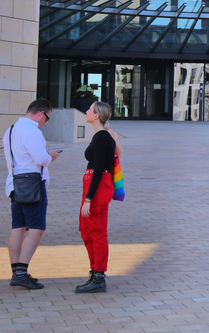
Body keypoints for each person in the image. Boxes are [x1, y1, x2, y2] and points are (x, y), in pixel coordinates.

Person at [3, 98, 61, 290]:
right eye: (47, 118)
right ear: (40, 113)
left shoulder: (10, 130)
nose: (45, 122)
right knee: (37, 228)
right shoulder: (32, 131)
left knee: (18, 227)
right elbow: (41, 158)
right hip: (33, 185)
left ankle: (16, 272)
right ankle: (21, 273)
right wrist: (51, 155)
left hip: (15, 184)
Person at [75, 101, 123, 293]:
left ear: (96, 116)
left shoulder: (102, 137)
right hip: (94, 187)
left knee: (97, 231)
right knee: (87, 231)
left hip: (96, 188)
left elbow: (100, 170)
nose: (86, 111)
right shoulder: (101, 135)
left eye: (89, 109)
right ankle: (94, 272)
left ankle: (98, 276)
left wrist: (88, 199)